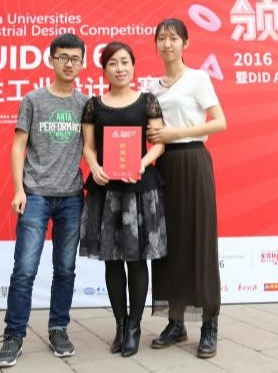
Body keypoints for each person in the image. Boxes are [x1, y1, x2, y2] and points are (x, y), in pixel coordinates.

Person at [0, 33, 88, 368]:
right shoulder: (33, 100)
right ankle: (13, 335)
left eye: (75, 58)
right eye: (62, 57)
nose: (68, 64)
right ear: (51, 60)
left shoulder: (86, 104)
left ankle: (58, 328)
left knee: (65, 269)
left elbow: (92, 148)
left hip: (72, 197)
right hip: (35, 195)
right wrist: (18, 189)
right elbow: (18, 145)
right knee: (25, 269)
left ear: (82, 63)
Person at [79, 41, 167, 357]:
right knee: (112, 260)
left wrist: (141, 163)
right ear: (104, 69)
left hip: (138, 190)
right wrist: (94, 166)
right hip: (106, 191)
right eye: (113, 63)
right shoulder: (94, 105)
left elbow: (158, 143)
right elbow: (88, 146)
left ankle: (134, 327)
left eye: (125, 62)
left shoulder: (147, 101)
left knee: (136, 259)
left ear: (133, 66)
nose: (120, 68)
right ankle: (120, 324)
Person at [147, 18, 227, 358]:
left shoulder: (198, 79)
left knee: (199, 241)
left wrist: (175, 133)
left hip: (193, 162)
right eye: (162, 38)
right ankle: (175, 322)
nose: (167, 44)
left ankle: (209, 324)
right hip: (163, 166)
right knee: (167, 244)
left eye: (173, 38)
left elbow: (220, 122)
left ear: (185, 43)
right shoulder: (151, 88)